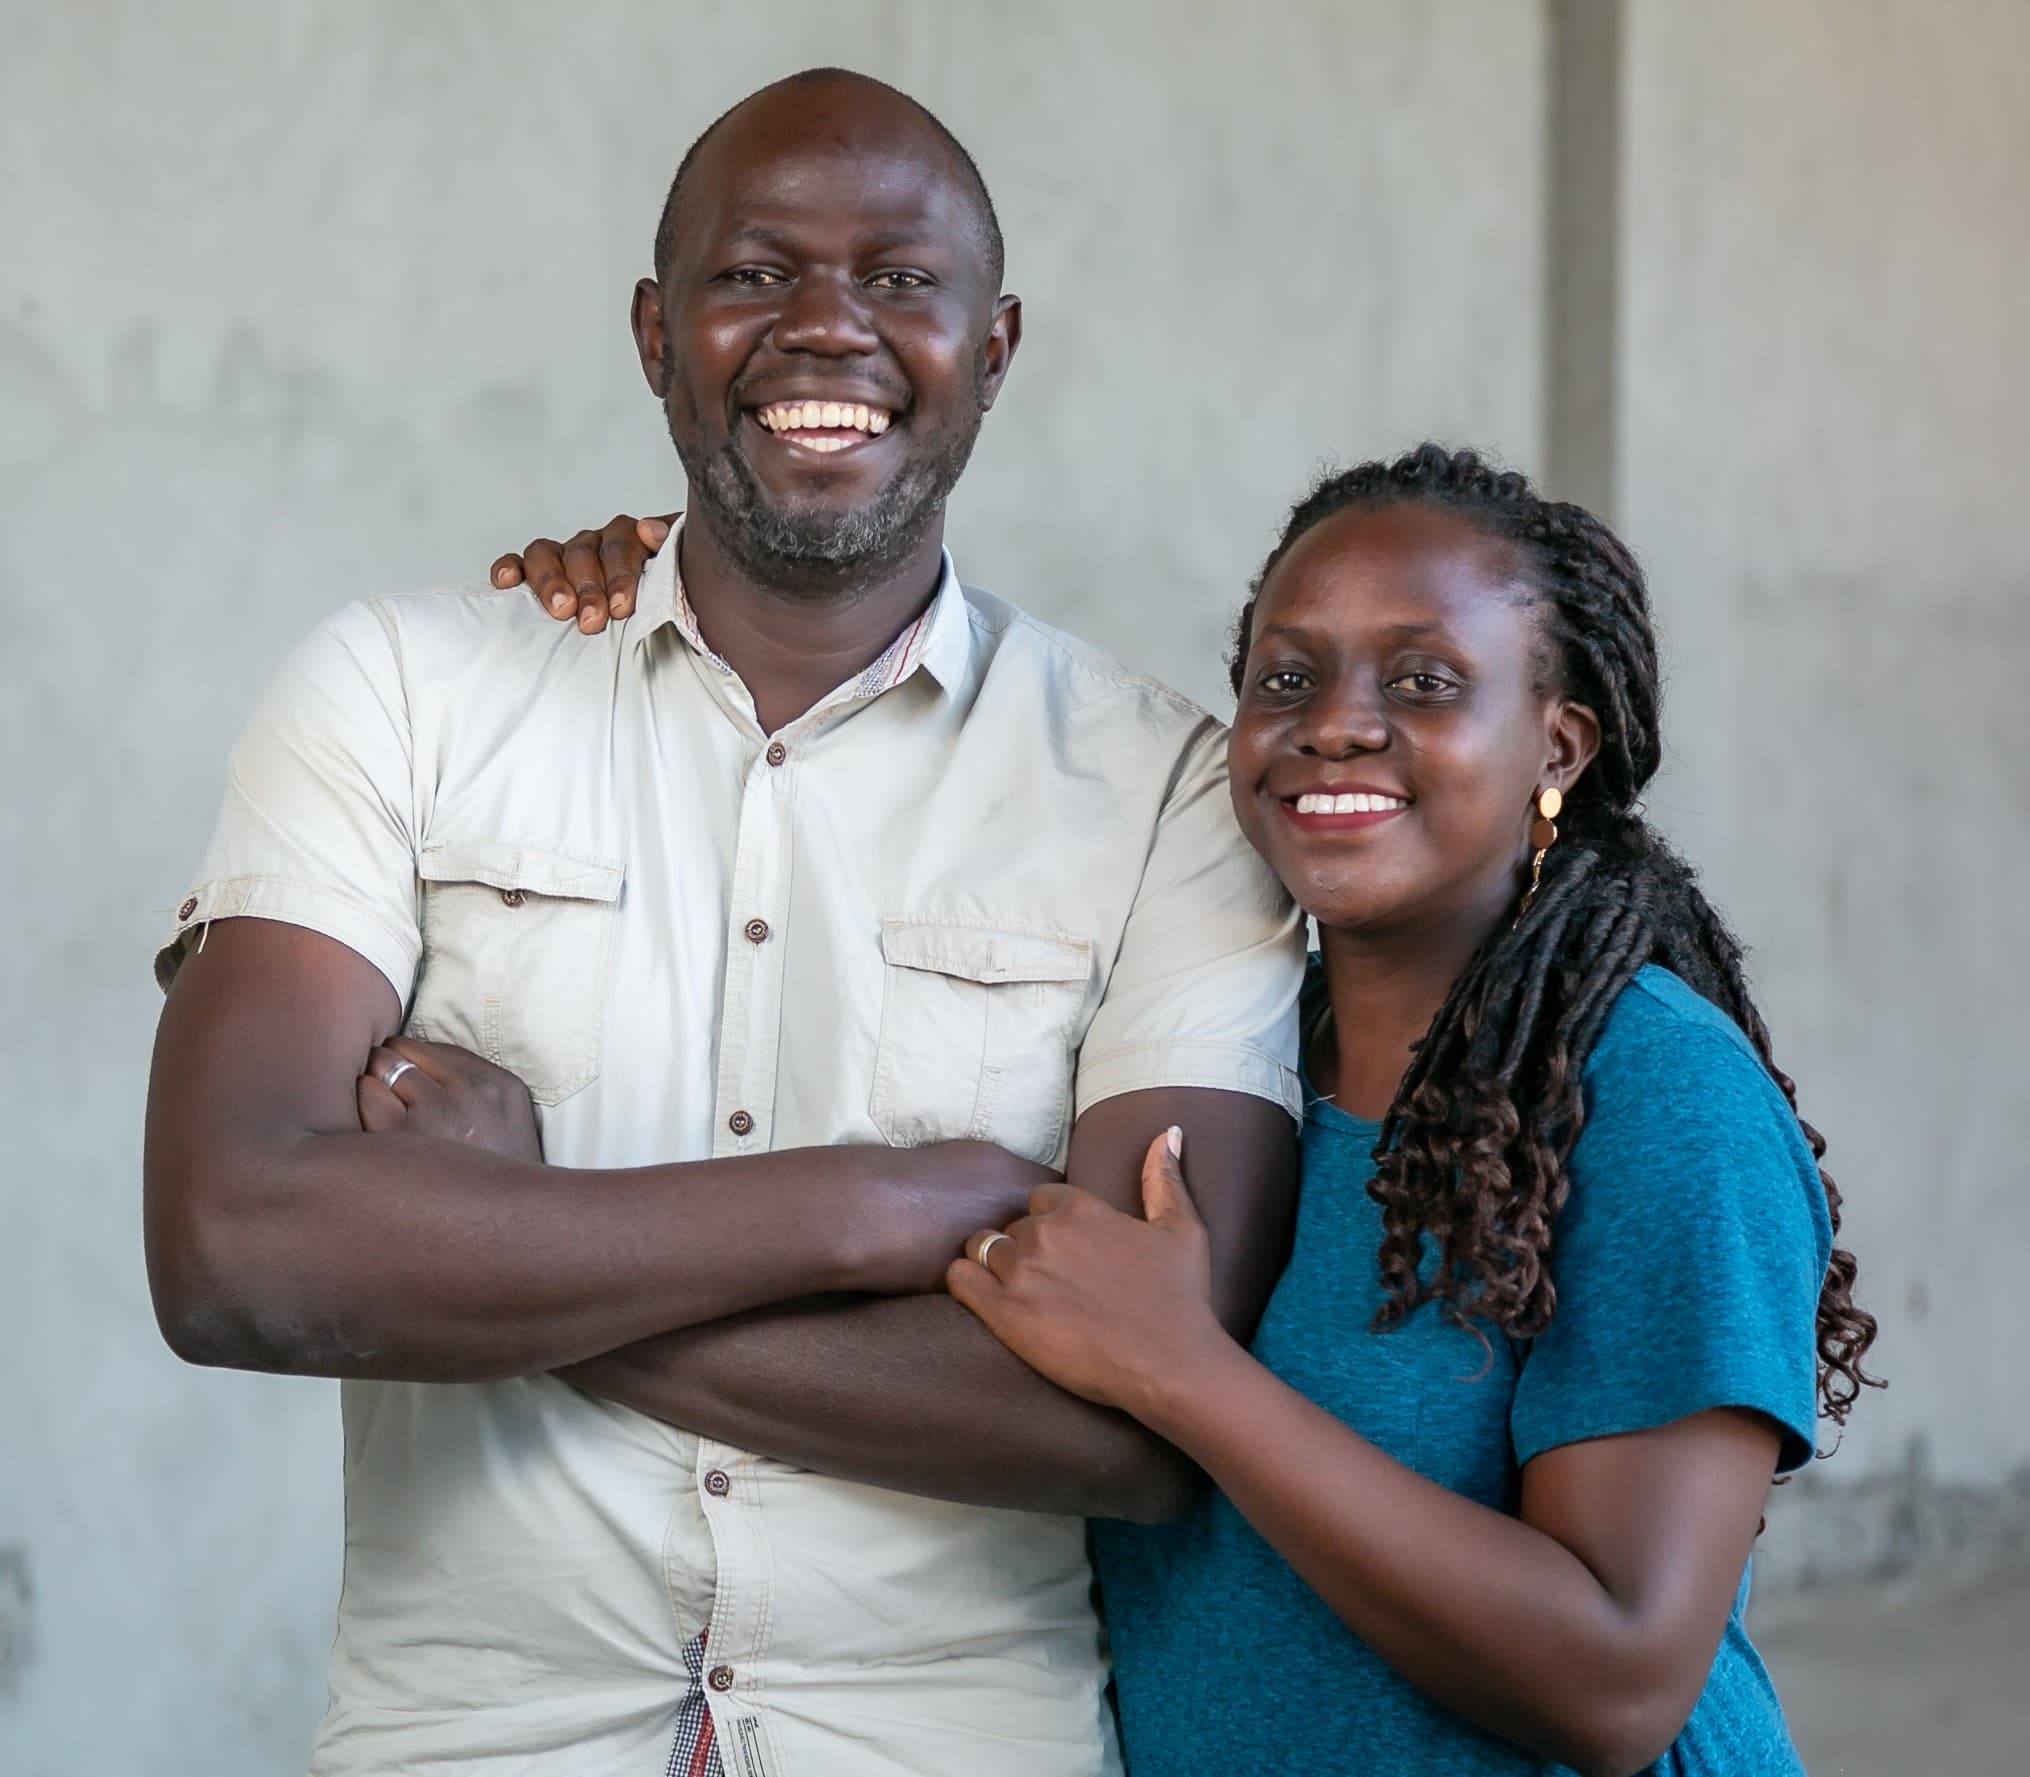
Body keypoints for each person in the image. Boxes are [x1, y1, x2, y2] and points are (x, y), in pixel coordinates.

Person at [145, 69, 1303, 1777]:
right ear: (653, 330)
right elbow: (236, 1251)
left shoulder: (1158, 789)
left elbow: (1137, 1411)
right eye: (755, 273)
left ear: (991, 347)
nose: (824, 328)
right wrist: (871, 1208)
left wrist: (504, 1237)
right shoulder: (401, 691)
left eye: (900, 280)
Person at [511, 446, 1880, 1776]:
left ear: (1557, 743)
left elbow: (1617, 1679)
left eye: (1423, 679)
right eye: (1285, 675)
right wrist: (698, 597)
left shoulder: (1652, 1092)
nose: (1334, 720)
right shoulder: (1221, 1052)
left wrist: (1185, 1374)